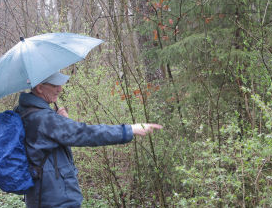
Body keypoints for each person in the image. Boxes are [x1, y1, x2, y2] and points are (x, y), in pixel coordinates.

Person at [15, 72, 162, 208]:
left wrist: (61, 122)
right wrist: (129, 130)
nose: (60, 89)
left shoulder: (26, 111)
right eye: (55, 85)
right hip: (55, 198)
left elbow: (47, 141)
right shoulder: (43, 118)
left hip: (41, 194)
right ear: (40, 88)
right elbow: (86, 133)